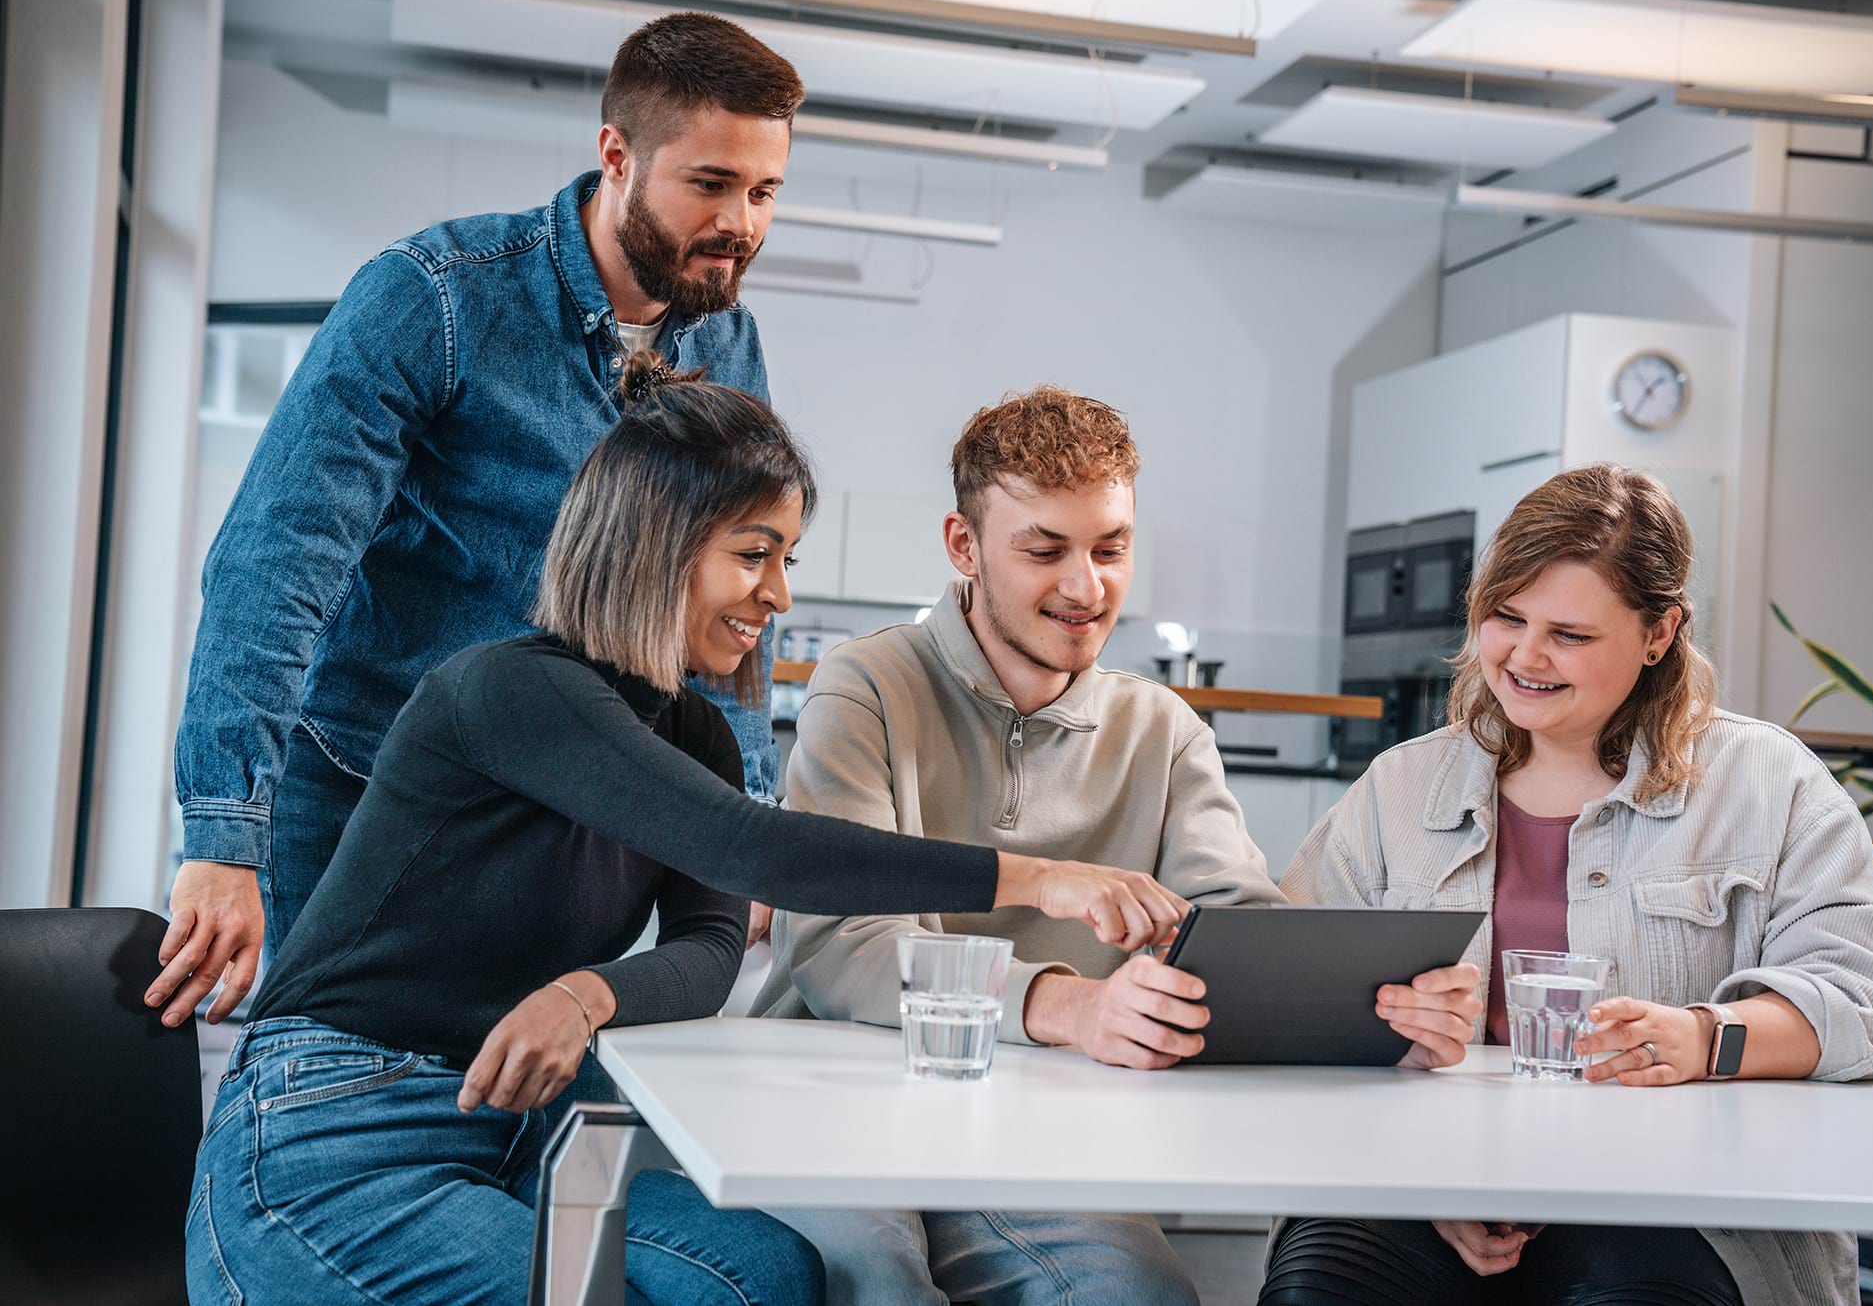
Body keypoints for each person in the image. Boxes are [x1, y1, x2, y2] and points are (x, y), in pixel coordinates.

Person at [185, 365, 1188, 1306]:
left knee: (765, 1274)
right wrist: (1036, 878)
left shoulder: (694, 730)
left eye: (783, 559)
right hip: (338, 1130)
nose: (778, 594)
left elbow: (710, 949)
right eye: (752, 556)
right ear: (653, 545)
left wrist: (588, 993)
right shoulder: (508, 689)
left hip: (523, 1132)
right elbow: (763, 854)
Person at [750, 386, 1474, 1305]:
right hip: (843, 1105)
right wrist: (1067, 1006)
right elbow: (835, 944)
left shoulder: (1162, 729)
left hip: (1038, 1139)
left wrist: (1374, 1019)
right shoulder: (867, 684)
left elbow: (1241, 926)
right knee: (878, 1283)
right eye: (1045, 549)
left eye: (1111, 547)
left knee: (1139, 1296)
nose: (1086, 587)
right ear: (963, 546)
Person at [152, 12, 806, 1029]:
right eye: (710, 185)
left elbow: (716, 612)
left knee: (494, 1099)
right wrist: (222, 834)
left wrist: (741, 824)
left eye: (763, 191)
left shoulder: (726, 344)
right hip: (363, 794)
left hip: (561, 816)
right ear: (615, 157)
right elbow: (279, 562)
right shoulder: (436, 301)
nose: (741, 222)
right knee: (314, 1091)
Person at [1262, 464, 1873, 1306]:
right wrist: (1416, 1157)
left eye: (1569, 634)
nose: (1526, 657)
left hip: (1680, 1204)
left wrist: (1705, 1039)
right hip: (1420, 1189)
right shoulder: (1399, 791)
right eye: (1506, 617)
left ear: (1660, 633)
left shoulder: (1766, 781)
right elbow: (1283, 1004)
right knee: (1320, 1291)